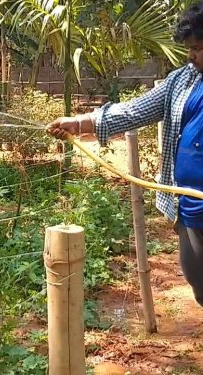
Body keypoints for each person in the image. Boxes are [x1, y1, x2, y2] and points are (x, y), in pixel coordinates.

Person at [47, 2, 203, 307]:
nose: (190, 55)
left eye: (197, 48)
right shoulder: (182, 81)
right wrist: (80, 123)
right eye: (189, 48)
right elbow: (135, 110)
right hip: (190, 208)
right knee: (199, 285)